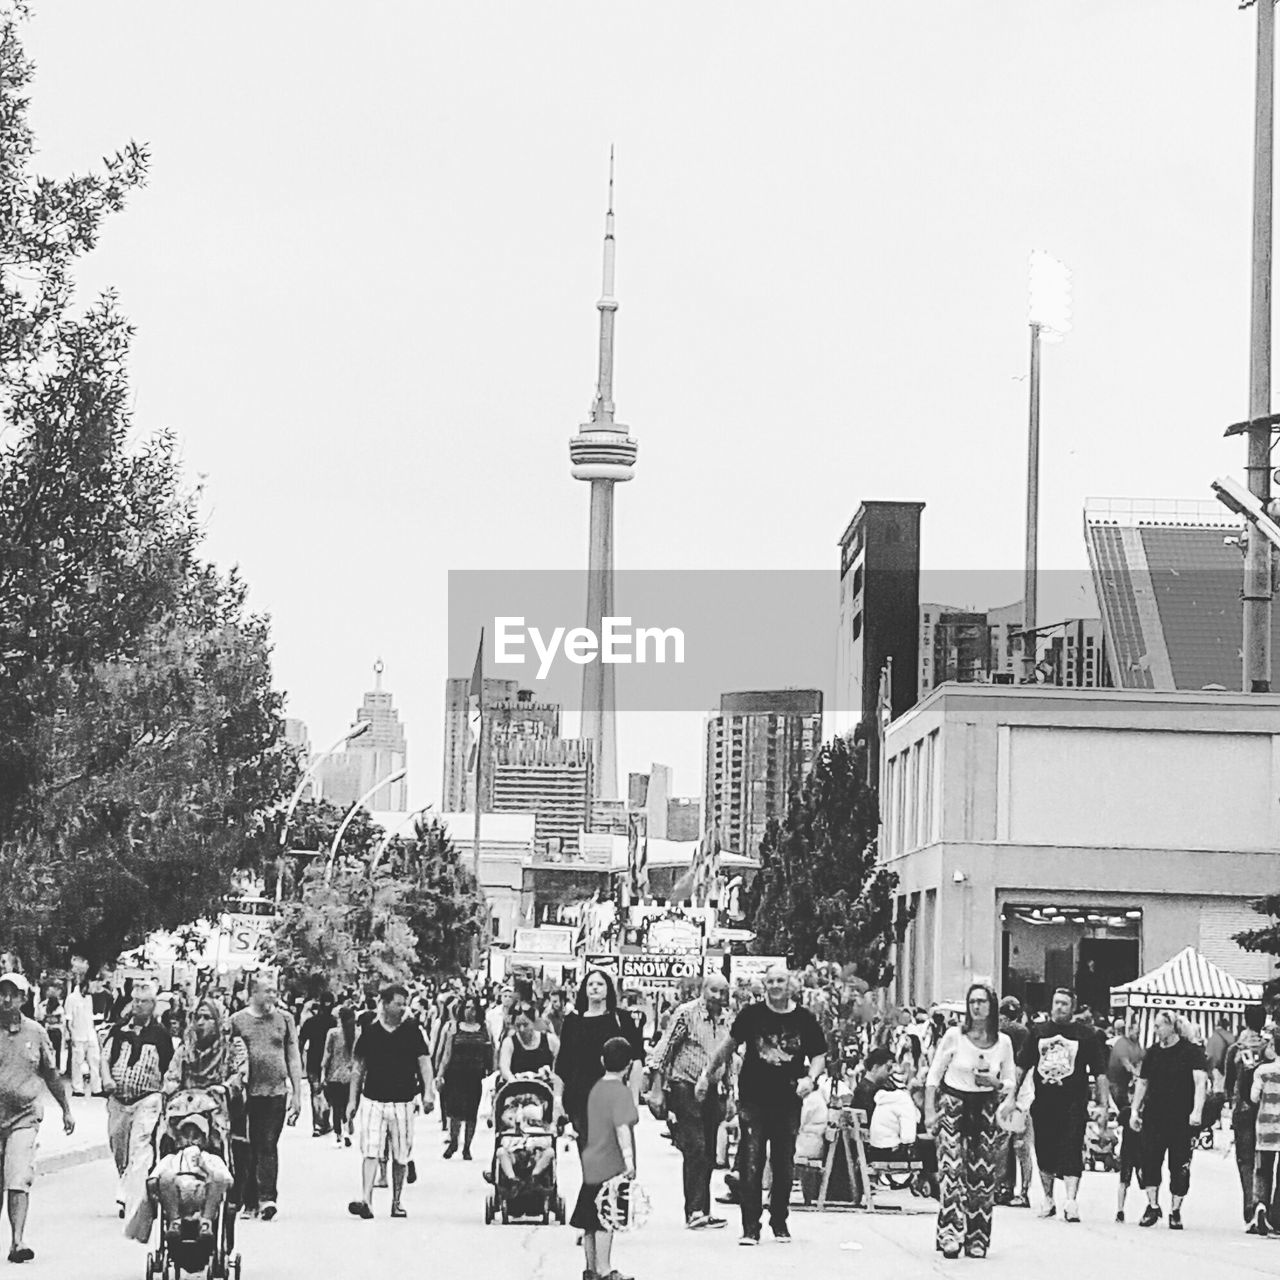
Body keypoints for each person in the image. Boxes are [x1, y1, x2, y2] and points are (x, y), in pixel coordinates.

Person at [696, 962, 826, 1246]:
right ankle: (750, 1226)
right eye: (771, 981)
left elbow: (818, 1055)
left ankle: (779, 1221)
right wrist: (707, 1075)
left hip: (788, 1100)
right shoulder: (752, 1015)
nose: (776, 986)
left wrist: (811, 1078)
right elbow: (727, 1047)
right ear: (764, 985)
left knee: (783, 1163)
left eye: (781, 981)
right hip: (754, 1098)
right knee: (752, 1161)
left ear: (790, 985)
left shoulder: (804, 1019)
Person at [924, 982, 1016, 1260]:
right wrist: (930, 1112)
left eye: (983, 1001)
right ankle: (950, 1233)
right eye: (973, 1001)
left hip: (986, 1106)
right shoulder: (954, 1036)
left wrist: (995, 1082)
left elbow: (1010, 1081)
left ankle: (977, 1236)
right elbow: (933, 1076)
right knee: (951, 1170)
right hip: (954, 1102)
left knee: (983, 1175)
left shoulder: (1003, 1042)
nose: (977, 1007)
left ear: (992, 1006)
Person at [1015, 986, 1109, 1223]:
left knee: (1071, 1149)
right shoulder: (1038, 1032)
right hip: (1044, 1102)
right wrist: (1011, 1096)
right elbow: (1022, 1066)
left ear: (1073, 1007)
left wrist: (1103, 1104)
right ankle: (1048, 1199)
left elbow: (1099, 1072)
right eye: (1056, 1002)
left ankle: (1071, 1201)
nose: (1059, 1007)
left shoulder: (1086, 1035)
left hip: (1074, 1104)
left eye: (1064, 1003)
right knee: (1044, 1150)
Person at [646, 975, 731, 1229]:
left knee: (708, 1151)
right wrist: (657, 1089)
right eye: (713, 990)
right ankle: (694, 1210)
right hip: (686, 1086)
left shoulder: (727, 1018)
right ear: (703, 990)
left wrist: (731, 1089)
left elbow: (730, 1055)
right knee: (695, 1146)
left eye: (722, 991)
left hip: (714, 1089)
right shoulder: (687, 1014)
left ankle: (703, 1209)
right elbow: (665, 1048)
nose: (717, 996)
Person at [0, 973, 74, 1264]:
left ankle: (18, 1242)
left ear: (23, 999)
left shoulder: (36, 1032)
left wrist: (66, 1109)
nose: (6, 1000)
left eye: (12, 994)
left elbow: (51, 1074)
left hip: (24, 1117)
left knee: (18, 1178)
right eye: (2, 993)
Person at [346, 983, 434, 1220]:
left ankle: (396, 1201)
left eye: (405, 1003)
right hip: (373, 1098)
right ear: (384, 1004)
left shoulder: (412, 1029)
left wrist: (428, 1092)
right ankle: (366, 1199)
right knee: (371, 1150)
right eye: (398, 1003)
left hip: (403, 1100)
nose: (403, 1008)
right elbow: (358, 1067)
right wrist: (352, 1101)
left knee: (400, 1154)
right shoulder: (370, 1030)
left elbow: (424, 1062)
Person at [229, 974, 302, 1221]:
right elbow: (229, 1057)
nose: (273, 995)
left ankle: (267, 1199)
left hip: (276, 1093)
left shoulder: (285, 1019)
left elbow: (293, 1055)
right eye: (267, 990)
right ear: (254, 993)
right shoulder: (237, 1021)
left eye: (275, 990)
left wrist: (297, 1094)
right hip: (247, 1095)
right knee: (246, 1146)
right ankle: (248, 1201)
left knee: (268, 1144)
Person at [1129, 1011, 1207, 1229]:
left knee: (1179, 1165)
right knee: (1150, 1161)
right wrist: (1135, 1110)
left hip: (1181, 1117)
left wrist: (1197, 1111)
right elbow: (1142, 1083)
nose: (1155, 1030)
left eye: (1158, 1026)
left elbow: (1200, 1082)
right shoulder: (1152, 1053)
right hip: (1154, 1116)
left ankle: (1175, 1210)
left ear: (1172, 1027)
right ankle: (1152, 1206)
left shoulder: (1191, 1052)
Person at [102, 983, 174, 1221]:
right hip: (119, 1099)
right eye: (135, 1000)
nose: (137, 1005)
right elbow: (105, 1057)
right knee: (118, 1145)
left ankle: (130, 1195)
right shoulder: (120, 1029)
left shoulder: (160, 1034)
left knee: (140, 1147)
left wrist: (165, 1095)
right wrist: (107, 1079)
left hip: (147, 1098)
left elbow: (168, 1067)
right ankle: (125, 1181)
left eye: (143, 1001)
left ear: (152, 1005)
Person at [570, 1036, 638, 1280]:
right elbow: (622, 1128)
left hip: (591, 1159)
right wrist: (629, 1161)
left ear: (602, 1061)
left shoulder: (597, 1088)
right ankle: (605, 1267)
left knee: (590, 1218)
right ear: (629, 1064)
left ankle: (590, 1268)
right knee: (606, 1218)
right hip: (611, 1163)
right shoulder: (621, 1093)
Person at [555, 970, 644, 1154]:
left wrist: (634, 1099)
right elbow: (562, 1065)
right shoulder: (573, 1022)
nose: (595, 987)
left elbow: (636, 1060)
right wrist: (558, 1100)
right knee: (589, 1153)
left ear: (608, 989)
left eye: (600, 984)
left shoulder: (622, 1019)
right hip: (579, 1096)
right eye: (591, 984)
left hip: (613, 1095)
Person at [148, 1114, 233, 1250]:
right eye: (185, 1136)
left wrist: (205, 1168)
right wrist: (155, 1189)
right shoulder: (171, 1158)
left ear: (204, 1140)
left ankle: (206, 1222)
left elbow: (227, 1181)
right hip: (177, 1194)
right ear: (177, 1140)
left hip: (203, 1193)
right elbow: (153, 1178)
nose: (190, 1141)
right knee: (166, 1176)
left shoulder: (211, 1158)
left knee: (218, 1177)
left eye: (196, 1137)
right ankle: (175, 1221)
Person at [1227, 1004, 1269, 1231]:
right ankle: (1264, 1203)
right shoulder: (1269, 1049)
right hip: (1266, 1109)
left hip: (1242, 1109)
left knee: (1245, 1160)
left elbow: (1227, 1084)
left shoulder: (1236, 1049)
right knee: (1265, 1159)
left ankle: (1250, 1208)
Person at [436, 994, 492, 1160]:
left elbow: (491, 1049)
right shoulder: (454, 1027)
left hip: (475, 1076)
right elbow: (447, 1053)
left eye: (473, 1008)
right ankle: (454, 1141)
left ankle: (467, 1147)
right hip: (455, 1075)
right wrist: (440, 1074)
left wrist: (492, 1069)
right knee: (454, 1111)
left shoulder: (483, 1028)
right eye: (467, 1007)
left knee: (471, 1113)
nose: (470, 1012)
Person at [1107, 1012, 1145, 1223]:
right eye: (1134, 1028)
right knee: (1128, 1176)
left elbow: (1140, 1061)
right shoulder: (1121, 1044)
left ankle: (1149, 1202)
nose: (1136, 1031)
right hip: (1119, 1086)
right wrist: (1137, 1076)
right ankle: (1121, 1209)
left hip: (1130, 1088)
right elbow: (1126, 1063)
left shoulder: (1137, 1045)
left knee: (1134, 1175)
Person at [995, 997, 1032, 1207]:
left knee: (1005, 1144)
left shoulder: (1004, 1034)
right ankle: (1023, 1190)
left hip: (1010, 1093)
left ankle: (1003, 1188)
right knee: (1021, 1146)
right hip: (1024, 1096)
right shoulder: (1024, 1032)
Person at [1249, 1027, 1280, 1234]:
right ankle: (1276, 1218)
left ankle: (1260, 1205)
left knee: (1263, 1170)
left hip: (1265, 1126)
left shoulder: (1262, 1071)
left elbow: (1253, 1097)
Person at [298, 996, 336, 1137]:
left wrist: (300, 1059)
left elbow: (301, 1041)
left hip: (313, 1060)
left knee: (315, 1092)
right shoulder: (333, 1022)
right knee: (328, 1092)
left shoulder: (310, 1022)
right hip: (329, 1062)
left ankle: (317, 1125)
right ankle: (325, 1121)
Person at [321, 1005, 358, 1147]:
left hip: (335, 1075)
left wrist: (323, 1072)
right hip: (352, 1075)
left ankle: (338, 1135)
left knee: (336, 1107)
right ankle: (348, 1124)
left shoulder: (333, 1033)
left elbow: (327, 1054)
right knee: (349, 1103)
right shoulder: (357, 1033)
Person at [499, 1002, 560, 1084]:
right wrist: (512, 1079)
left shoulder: (551, 1040)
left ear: (533, 1022)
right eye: (518, 1025)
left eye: (525, 1024)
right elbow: (504, 1069)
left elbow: (559, 1069)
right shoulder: (509, 1043)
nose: (522, 1029)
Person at [65, 978, 102, 1097]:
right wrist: (72, 1036)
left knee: (95, 1061)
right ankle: (78, 1088)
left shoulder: (89, 998)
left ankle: (96, 1088)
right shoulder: (71, 999)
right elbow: (68, 1020)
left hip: (90, 1034)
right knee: (77, 1063)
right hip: (78, 1035)